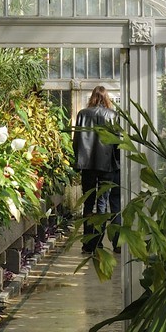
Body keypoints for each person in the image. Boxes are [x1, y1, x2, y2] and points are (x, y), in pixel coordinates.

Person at [72, 84, 121, 255]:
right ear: (106, 98)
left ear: (92, 97)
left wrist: (78, 161)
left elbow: (77, 139)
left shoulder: (83, 114)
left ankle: (88, 244)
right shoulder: (113, 115)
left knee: (88, 202)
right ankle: (99, 242)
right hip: (107, 165)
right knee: (103, 203)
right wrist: (117, 161)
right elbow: (117, 142)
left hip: (88, 166)